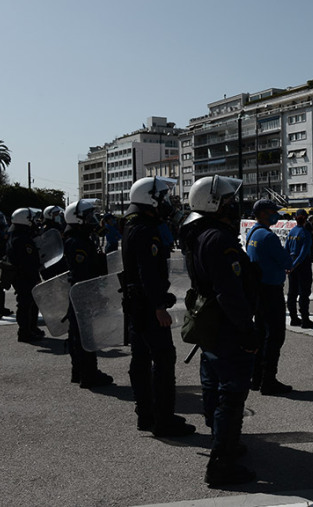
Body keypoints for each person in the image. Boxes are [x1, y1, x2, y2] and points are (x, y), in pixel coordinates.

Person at [182, 176, 258, 486]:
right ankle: (221, 463)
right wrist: (247, 329)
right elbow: (229, 291)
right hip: (226, 324)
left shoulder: (198, 234)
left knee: (212, 384)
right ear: (214, 204)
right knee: (232, 392)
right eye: (228, 200)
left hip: (210, 323)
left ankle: (222, 441)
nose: (234, 205)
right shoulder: (219, 238)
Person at [121, 176, 194, 437]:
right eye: (163, 196)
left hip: (136, 305)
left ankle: (146, 415)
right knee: (163, 359)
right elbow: (148, 273)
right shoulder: (145, 230)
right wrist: (159, 306)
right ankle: (164, 420)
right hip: (148, 305)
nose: (167, 201)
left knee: (140, 360)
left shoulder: (132, 225)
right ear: (150, 199)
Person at [63, 199, 113, 388]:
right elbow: (84, 273)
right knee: (84, 336)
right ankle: (88, 375)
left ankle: (81, 372)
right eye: (88, 216)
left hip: (81, 294)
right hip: (83, 295)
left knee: (80, 334)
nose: (92, 219)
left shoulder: (80, 239)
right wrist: (97, 295)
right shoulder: (77, 242)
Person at [245, 199, 293, 395]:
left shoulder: (252, 233)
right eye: (273, 211)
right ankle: (269, 380)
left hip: (258, 290)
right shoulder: (268, 237)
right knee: (274, 336)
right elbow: (286, 260)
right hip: (271, 290)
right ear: (264, 213)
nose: (276, 215)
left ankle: (256, 377)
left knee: (260, 334)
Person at [8, 208, 45, 342]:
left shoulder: (18, 235)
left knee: (31, 303)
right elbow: (28, 263)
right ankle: (24, 333)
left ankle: (31, 328)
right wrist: (35, 278)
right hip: (24, 277)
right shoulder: (22, 239)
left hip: (23, 276)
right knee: (25, 305)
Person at [285, 209, 313, 329]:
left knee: (292, 292)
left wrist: (289, 265)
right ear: (305, 218)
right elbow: (304, 253)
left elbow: (286, 249)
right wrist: (295, 264)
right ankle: (305, 319)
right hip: (302, 265)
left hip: (291, 263)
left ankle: (294, 318)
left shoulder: (292, 232)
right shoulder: (305, 233)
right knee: (304, 292)